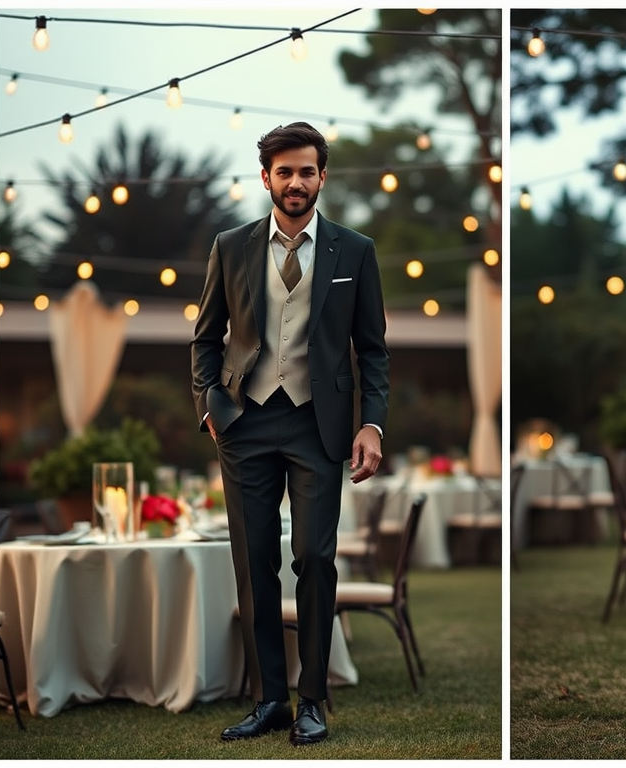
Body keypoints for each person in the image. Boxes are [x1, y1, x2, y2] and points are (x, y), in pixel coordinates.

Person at [191, 122, 390, 745]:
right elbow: (205, 337)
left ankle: (312, 700)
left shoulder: (354, 251)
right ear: (266, 178)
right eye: (285, 172)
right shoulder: (231, 245)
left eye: (307, 171)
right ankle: (269, 699)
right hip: (245, 422)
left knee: (314, 557)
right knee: (253, 565)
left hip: (318, 424)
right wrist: (211, 410)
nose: (296, 181)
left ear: (322, 177)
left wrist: (372, 423)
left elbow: (373, 350)